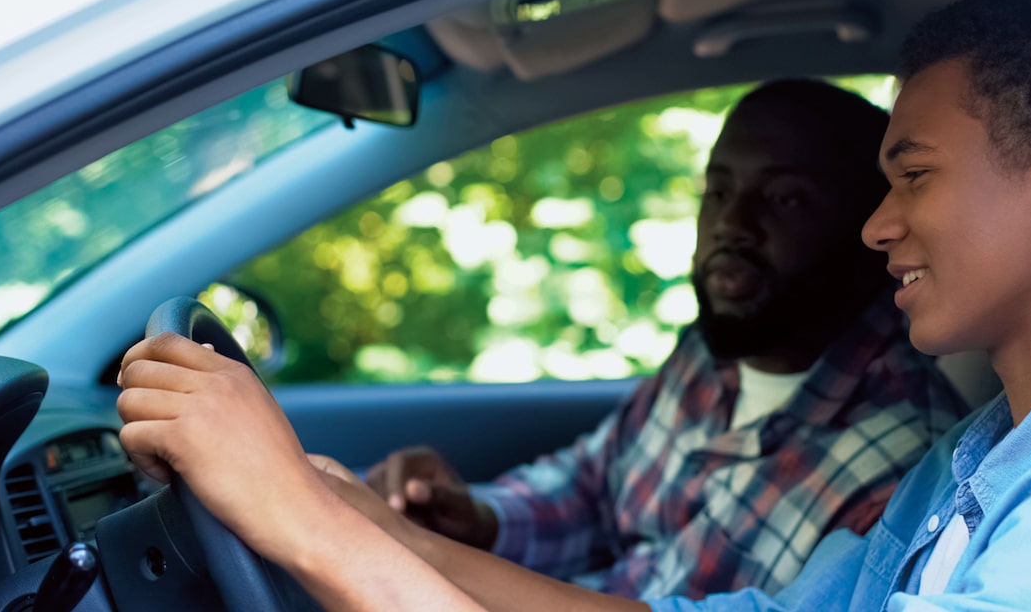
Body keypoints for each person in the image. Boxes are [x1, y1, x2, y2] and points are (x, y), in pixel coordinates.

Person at [116, 0, 1031, 612]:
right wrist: (361, 518)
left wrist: (305, 529)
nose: (878, 224)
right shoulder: (979, 456)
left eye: (911, 177)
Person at [359, 79, 968, 599]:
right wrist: (479, 521)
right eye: (719, 191)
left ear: (873, 229)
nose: (732, 224)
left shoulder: (904, 460)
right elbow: (594, 483)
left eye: (785, 198)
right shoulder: (714, 349)